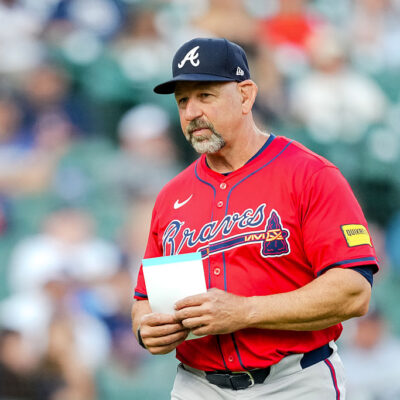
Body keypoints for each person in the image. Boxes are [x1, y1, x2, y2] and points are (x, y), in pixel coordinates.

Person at [131, 37, 378, 399]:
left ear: (245, 95)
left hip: (293, 381)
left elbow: (354, 291)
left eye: (206, 96)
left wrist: (245, 311)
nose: (191, 112)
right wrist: (146, 329)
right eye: (183, 100)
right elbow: (144, 300)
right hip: (196, 385)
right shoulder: (172, 196)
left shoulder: (309, 175)